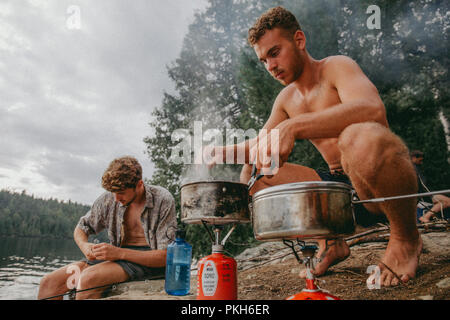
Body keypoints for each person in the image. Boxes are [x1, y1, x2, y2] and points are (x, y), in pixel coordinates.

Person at [204, 7, 422, 287]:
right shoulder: (285, 99)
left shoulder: (336, 66)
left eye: (274, 52)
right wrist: (221, 152)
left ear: (299, 40)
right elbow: (262, 144)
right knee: (256, 170)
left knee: (358, 137)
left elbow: (372, 109)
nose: (270, 66)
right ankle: (330, 242)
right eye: (263, 60)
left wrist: (295, 126)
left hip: (374, 186)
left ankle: (405, 238)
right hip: (334, 192)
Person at [38, 156, 177, 300]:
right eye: (113, 192)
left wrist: (118, 253)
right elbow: (81, 228)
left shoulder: (162, 199)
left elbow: (166, 256)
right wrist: (85, 246)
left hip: (149, 261)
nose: (116, 199)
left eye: (121, 193)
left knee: (88, 279)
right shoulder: (109, 199)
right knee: (49, 283)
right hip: (116, 258)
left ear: (139, 184)